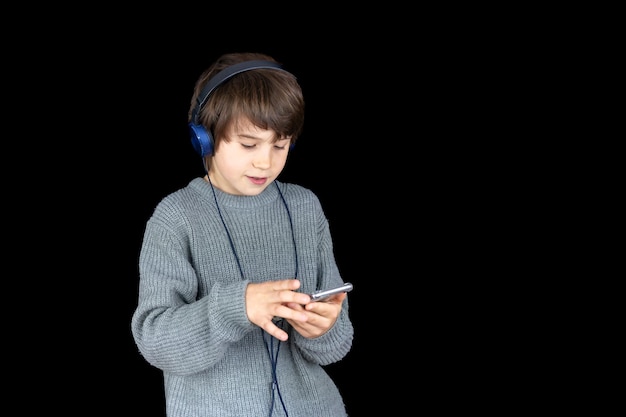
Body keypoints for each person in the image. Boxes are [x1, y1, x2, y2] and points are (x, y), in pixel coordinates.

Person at [131, 52, 354, 417]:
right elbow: (156, 343)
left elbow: (336, 345)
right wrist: (238, 307)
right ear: (203, 138)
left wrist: (321, 330)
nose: (265, 162)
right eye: (249, 144)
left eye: (280, 145)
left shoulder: (305, 207)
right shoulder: (176, 217)